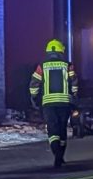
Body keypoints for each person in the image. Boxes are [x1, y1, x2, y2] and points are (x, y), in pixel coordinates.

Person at [28, 39, 76, 169]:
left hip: (48, 103)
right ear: (61, 51)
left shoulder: (42, 66)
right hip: (64, 102)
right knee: (62, 128)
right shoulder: (67, 65)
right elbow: (74, 83)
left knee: (52, 128)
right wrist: (74, 97)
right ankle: (61, 155)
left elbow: (34, 84)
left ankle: (57, 154)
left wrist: (34, 98)